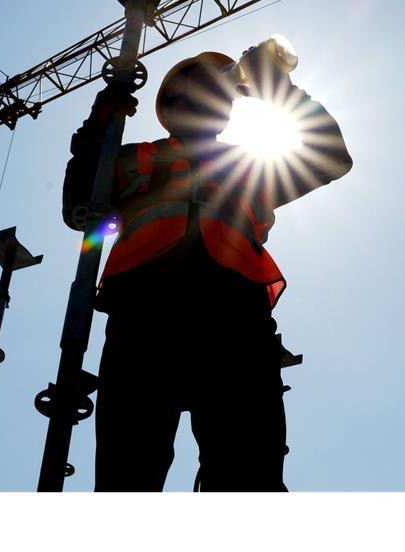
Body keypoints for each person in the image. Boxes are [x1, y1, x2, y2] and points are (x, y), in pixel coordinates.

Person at [63, 47, 352, 491]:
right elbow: (78, 202)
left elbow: (331, 158)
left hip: (234, 323)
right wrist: (98, 123)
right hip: (145, 320)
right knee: (127, 477)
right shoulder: (131, 158)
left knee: (247, 478)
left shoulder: (249, 165)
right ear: (174, 100)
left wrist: (281, 92)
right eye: (204, 84)